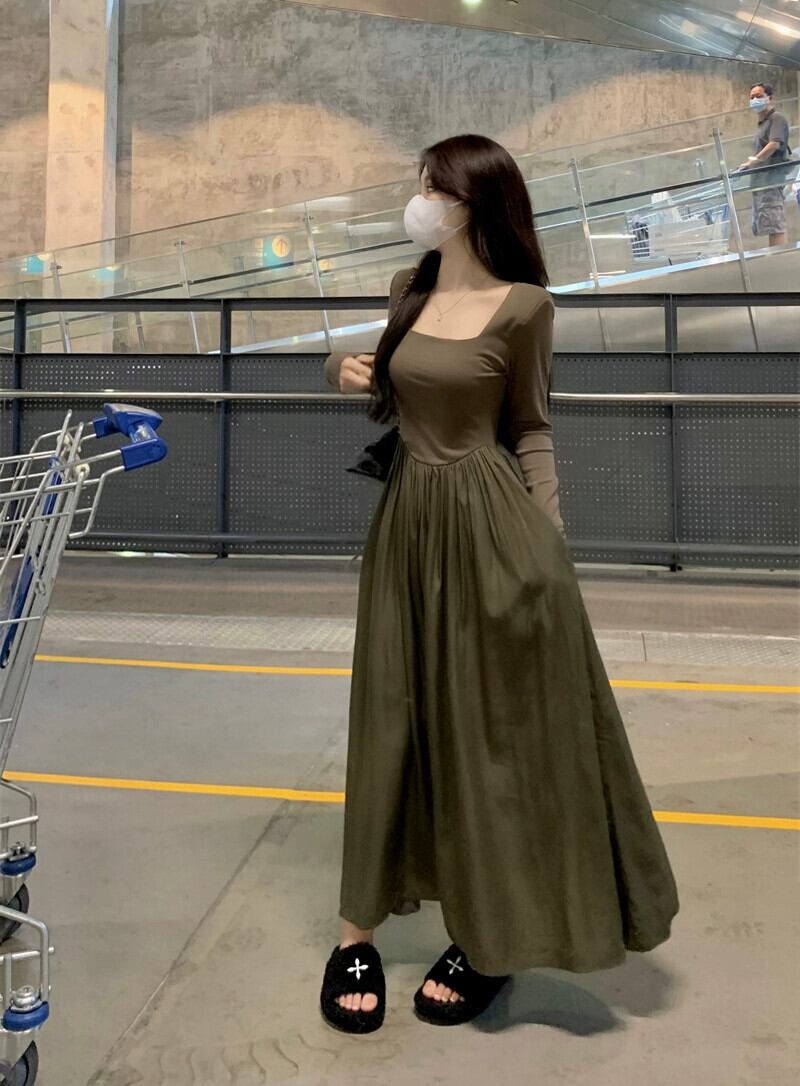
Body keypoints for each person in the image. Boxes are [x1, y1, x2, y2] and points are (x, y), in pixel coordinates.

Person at [319, 134, 679, 1035]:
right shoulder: (408, 291)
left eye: (433, 187)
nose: (420, 200)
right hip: (406, 528)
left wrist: (548, 552)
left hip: (490, 530)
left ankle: (487, 938)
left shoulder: (524, 308)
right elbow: (389, 391)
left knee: (490, 737)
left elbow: (531, 429)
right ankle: (355, 933)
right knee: (390, 715)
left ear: (474, 202)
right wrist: (339, 368)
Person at [736, 83, 792, 247]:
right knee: (769, 222)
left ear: (770, 98)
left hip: (771, 180)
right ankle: (777, 256)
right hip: (762, 181)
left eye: (759, 96)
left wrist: (752, 161)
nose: (755, 100)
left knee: (775, 224)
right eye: (752, 97)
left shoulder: (777, 119)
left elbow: (774, 144)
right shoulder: (763, 123)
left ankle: (779, 259)